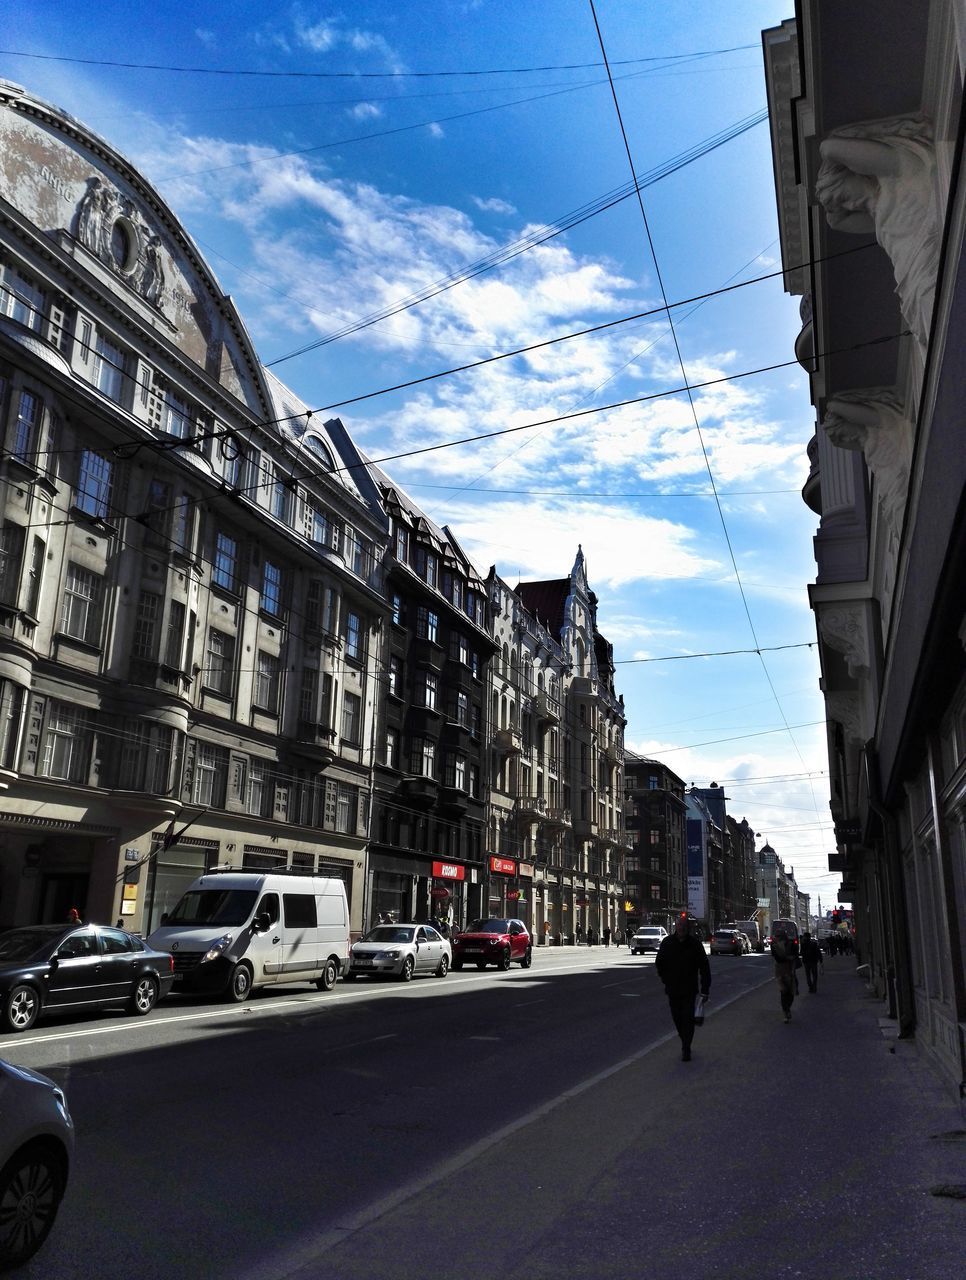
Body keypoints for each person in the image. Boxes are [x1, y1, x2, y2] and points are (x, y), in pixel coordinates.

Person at [656, 914, 711, 1062]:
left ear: (688, 928)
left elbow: (704, 967)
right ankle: (684, 1040)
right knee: (677, 1018)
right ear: (676, 927)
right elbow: (659, 963)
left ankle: (686, 1047)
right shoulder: (667, 943)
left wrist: (705, 989)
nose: (681, 928)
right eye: (679, 926)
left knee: (687, 1018)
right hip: (673, 988)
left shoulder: (695, 944)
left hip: (689, 989)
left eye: (684, 926)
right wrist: (665, 979)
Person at [772, 925, 798, 1021]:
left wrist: (792, 962)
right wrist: (788, 958)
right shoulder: (774, 946)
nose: (778, 938)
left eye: (779, 936)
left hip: (790, 970)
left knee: (791, 993)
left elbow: (795, 955)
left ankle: (788, 1009)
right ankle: (785, 1012)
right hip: (780, 971)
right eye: (777, 936)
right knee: (783, 991)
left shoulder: (791, 944)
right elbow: (777, 958)